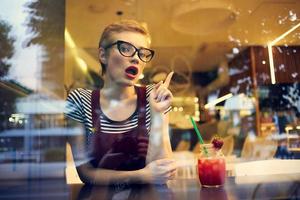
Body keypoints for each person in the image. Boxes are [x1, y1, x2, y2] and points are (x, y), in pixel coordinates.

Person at [65, 20, 177, 185]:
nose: (136, 59)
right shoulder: (80, 100)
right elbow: (85, 173)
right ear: (103, 55)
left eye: (142, 53)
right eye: (125, 49)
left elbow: (163, 172)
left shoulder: (152, 97)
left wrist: (157, 114)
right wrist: (141, 176)